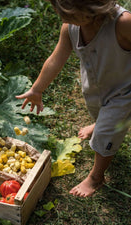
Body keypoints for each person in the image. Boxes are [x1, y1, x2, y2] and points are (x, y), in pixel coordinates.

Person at [16, 0, 131, 197]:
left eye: (68, 13)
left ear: (92, 6)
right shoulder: (71, 27)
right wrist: (37, 89)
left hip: (124, 91)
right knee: (99, 114)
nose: (62, 17)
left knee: (105, 135)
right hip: (95, 89)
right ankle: (100, 123)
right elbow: (55, 58)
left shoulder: (123, 23)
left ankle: (96, 177)